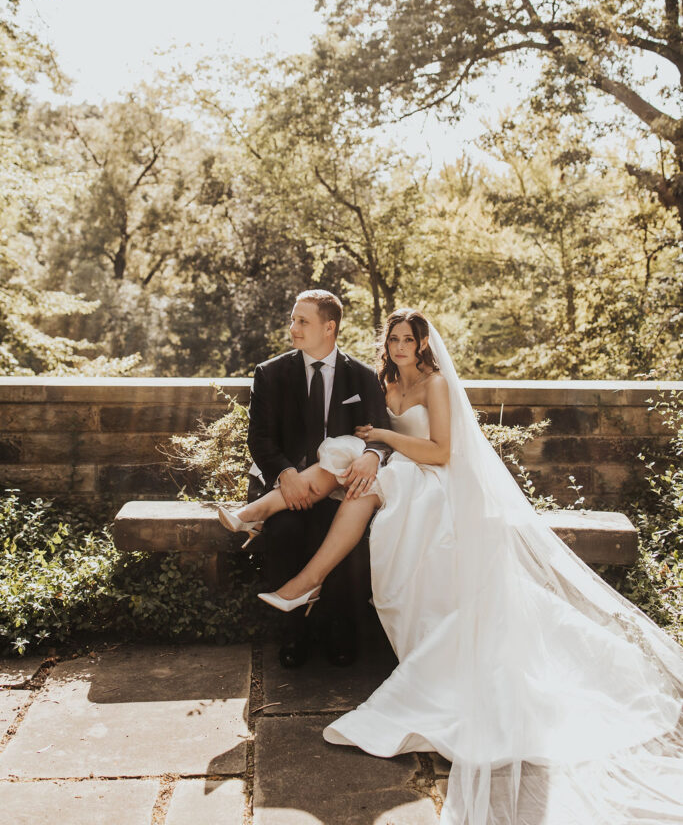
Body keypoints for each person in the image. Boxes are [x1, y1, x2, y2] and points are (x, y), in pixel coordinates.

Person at [255, 308, 683, 825]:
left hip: (435, 479)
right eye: (393, 339)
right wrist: (366, 452)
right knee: (358, 481)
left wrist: (384, 442)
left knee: (370, 495)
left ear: (424, 343)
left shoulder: (435, 384)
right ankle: (288, 556)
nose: (399, 346)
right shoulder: (384, 380)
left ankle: (308, 580)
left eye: (408, 339)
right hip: (401, 474)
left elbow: (442, 451)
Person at [219, 289, 391, 670]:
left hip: (340, 488)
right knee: (286, 533)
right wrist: (286, 474)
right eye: (293, 319)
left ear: (329, 328)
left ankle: (339, 635)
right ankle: (293, 635)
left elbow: (380, 433)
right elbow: (260, 439)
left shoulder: (362, 376)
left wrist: (370, 456)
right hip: (286, 485)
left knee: (350, 537)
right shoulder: (271, 373)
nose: (292, 328)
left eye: (302, 321)